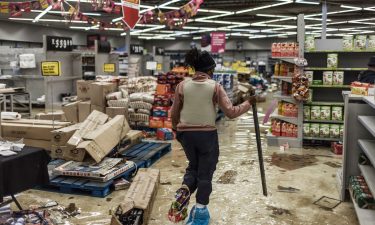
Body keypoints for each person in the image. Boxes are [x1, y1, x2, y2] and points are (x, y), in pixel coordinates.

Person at [168, 48, 256, 225]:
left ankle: (185, 189)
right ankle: (200, 213)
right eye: (213, 69)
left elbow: (174, 113)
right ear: (209, 70)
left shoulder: (182, 86)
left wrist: (177, 132)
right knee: (205, 173)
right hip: (206, 135)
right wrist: (248, 103)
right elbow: (230, 112)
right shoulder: (215, 87)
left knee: (193, 167)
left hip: (186, 134)